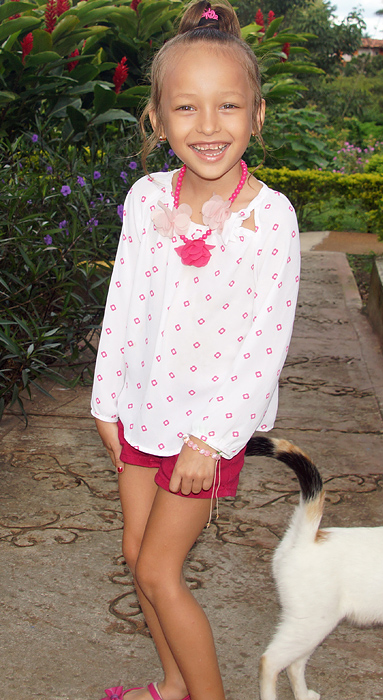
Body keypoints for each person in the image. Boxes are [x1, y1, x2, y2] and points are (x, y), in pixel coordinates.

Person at [91, 2, 300, 699]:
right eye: (186, 108)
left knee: (158, 571)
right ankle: (175, 685)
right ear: (156, 119)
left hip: (200, 432)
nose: (207, 127)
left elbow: (262, 346)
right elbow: (121, 306)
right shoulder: (147, 195)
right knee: (133, 553)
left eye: (227, 107)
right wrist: (104, 403)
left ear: (257, 115)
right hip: (138, 413)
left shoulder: (268, 218)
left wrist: (209, 440)